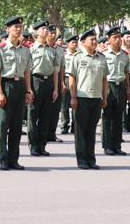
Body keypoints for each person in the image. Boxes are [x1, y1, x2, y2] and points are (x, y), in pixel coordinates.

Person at [0, 16, 32, 170]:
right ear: (8, 29)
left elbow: (27, 71)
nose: (18, 29)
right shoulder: (0, 48)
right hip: (6, 85)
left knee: (16, 126)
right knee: (3, 124)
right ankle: (3, 159)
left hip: (20, 86)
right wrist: (0, 92)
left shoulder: (25, 49)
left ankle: (14, 159)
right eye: (15, 26)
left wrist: (28, 90)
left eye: (20, 26)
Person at [68, 29, 109, 169]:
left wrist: (104, 97)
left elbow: (104, 78)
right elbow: (72, 78)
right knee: (80, 130)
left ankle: (91, 159)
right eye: (91, 39)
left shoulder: (101, 57)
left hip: (96, 98)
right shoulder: (77, 57)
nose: (94, 41)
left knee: (92, 130)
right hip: (81, 98)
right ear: (83, 42)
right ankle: (82, 160)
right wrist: (73, 97)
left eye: (95, 39)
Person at [28, 20, 59, 156]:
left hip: (48, 83)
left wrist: (56, 88)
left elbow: (55, 70)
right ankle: (33, 145)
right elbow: (27, 70)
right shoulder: (30, 49)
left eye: (47, 29)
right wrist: (28, 89)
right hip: (35, 81)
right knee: (33, 115)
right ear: (36, 32)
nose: (46, 31)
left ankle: (42, 145)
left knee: (45, 116)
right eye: (43, 29)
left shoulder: (52, 49)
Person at [101, 27, 130, 156]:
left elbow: (126, 73)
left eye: (119, 37)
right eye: (115, 37)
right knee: (107, 118)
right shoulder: (103, 54)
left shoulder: (124, 54)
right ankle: (107, 146)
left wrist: (128, 89)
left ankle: (117, 145)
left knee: (119, 117)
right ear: (109, 39)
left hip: (121, 87)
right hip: (108, 86)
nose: (118, 40)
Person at [46, 24, 65, 143]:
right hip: (45, 78)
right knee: (44, 108)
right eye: (51, 33)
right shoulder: (43, 47)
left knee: (55, 108)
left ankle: (51, 133)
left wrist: (62, 83)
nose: (53, 35)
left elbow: (61, 67)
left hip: (56, 79)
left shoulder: (59, 49)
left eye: (54, 33)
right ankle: (42, 133)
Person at [61, 34, 79, 134]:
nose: (75, 44)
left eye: (76, 42)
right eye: (73, 42)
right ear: (67, 44)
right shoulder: (64, 55)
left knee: (76, 104)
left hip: (77, 80)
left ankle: (74, 125)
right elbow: (62, 71)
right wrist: (62, 83)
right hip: (67, 79)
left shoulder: (79, 55)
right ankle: (65, 125)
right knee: (65, 105)